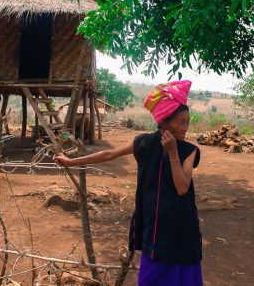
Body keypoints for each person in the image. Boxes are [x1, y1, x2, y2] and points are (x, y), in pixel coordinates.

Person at [54, 80, 203, 286]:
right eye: (181, 122)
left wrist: (173, 153)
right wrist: (71, 161)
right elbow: (109, 154)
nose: (186, 127)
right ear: (164, 123)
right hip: (154, 225)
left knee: (183, 278)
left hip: (181, 227)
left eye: (188, 122)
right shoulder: (144, 142)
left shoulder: (189, 151)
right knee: (151, 277)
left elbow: (182, 188)